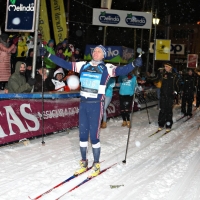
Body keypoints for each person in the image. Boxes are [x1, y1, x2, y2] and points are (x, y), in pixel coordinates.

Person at [42, 44, 142, 178]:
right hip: (83, 104)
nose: (95, 53)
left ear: (103, 55)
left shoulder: (107, 68)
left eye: (99, 51)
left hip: (96, 105)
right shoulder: (83, 65)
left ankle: (96, 164)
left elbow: (122, 71)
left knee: (94, 136)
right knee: (82, 136)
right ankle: (84, 163)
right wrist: (48, 55)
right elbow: (65, 64)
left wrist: (134, 64)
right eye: (94, 51)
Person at [152, 62, 179, 132]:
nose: (165, 68)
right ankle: (161, 124)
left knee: (169, 111)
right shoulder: (162, 74)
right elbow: (155, 78)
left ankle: (168, 125)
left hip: (170, 96)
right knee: (162, 110)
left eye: (166, 66)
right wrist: (147, 79)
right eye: (165, 66)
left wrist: (176, 92)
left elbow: (177, 85)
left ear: (170, 67)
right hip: (163, 95)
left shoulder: (174, 75)